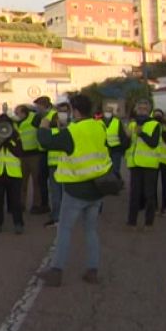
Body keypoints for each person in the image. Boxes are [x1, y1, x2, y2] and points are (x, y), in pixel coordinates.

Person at [36, 94, 111, 287]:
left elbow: (45, 141)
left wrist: (44, 124)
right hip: (97, 187)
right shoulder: (99, 126)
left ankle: (56, 270)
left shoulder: (73, 131)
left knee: (64, 230)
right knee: (91, 230)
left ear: (75, 111)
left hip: (76, 188)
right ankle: (92, 270)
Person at [125, 100, 160, 231]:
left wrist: (142, 133)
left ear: (149, 111)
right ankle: (131, 222)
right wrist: (126, 137)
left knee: (149, 195)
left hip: (149, 165)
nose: (142, 111)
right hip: (135, 164)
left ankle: (148, 223)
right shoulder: (132, 124)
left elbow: (153, 143)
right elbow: (126, 144)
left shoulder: (155, 124)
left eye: (145, 109)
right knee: (134, 194)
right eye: (140, 108)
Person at [0, 112, 25, 234]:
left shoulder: (15, 134)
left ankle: (18, 223)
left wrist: (8, 141)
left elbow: (19, 152)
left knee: (16, 201)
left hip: (14, 173)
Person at [14, 105, 43, 224]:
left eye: (17, 112)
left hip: (34, 154)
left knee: (36, 181)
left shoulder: (34, 118)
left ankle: (36, 204)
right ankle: (21, 203)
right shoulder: (16, 122)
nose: (16, 114)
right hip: (22, 155)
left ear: (23, 112)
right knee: (22, 181)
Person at [44, 102, 69, 228]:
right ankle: (56, 217)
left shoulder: (72, 129)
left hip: (68, 165)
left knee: (66, 193)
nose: (62, 114)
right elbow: (44, 143)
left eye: (65, 112)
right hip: (54, 165)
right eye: (60, 112)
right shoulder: (51, 131)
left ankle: (64, 217)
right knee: (55, 194)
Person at [31, 96, 54, 215]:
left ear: (44, 105)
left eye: (38, 106)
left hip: (51, 152)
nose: (37, 109)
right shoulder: (40, 116)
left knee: (53, 182)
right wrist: (39, 115)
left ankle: (53, 207)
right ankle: (44, 204)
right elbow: (34, 124)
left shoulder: (53, 115)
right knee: (42, 180)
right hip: (42, 152)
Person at [152, 109, 166, 216]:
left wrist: (165, 127)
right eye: (156, 116)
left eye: (159, 116)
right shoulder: (151, 127)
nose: (158, 118)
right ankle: (155, 206)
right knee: (153, 185)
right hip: (154, 160)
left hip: (165, 160)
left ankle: (164, 207)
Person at [102, 105, 128, 181]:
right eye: (106, 111)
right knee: (105, 169)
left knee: (116, 169)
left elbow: (122, 135)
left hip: (116, 149)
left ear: (112, 112)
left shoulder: (117, 122)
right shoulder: (99, 122)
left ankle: (117, 183)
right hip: (104, 149)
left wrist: (122, 148)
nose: (108, 113)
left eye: (109, 111)